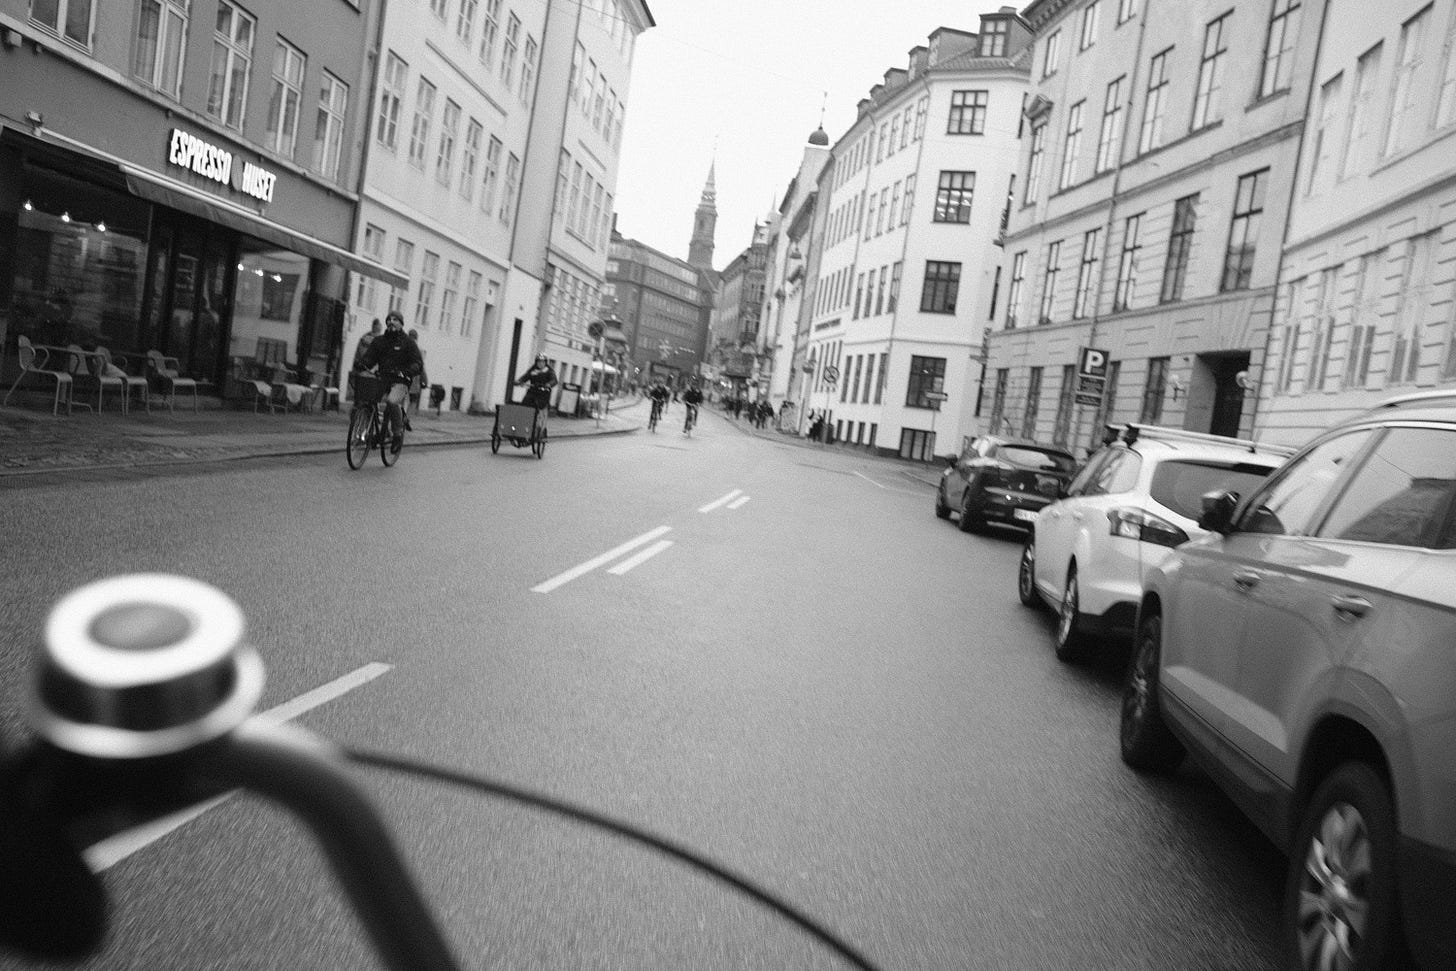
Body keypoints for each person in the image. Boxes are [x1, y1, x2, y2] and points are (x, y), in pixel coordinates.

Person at [354, 311, 423, 452]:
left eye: (395, 320)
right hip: (383, 379)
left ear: (401, 324)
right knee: (368, 400)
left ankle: (397, 434)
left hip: (401, 380)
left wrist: (409, 370)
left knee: (392, 401)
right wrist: (362, 364)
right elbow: (370, 357)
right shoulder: (379, 341)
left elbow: (417, 362)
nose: (391, 322)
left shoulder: (408, 343)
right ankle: (375, 432)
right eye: (389, 319)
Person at [407, 329, 428, 417]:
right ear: (417, 338)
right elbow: (422, 366)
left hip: (403, 376)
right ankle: (406, 418)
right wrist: (424, 379)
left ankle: (399, 418)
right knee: (413, 400)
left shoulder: (404, 347)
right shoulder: (419, 350)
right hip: (415, 378)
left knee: (401, 398)